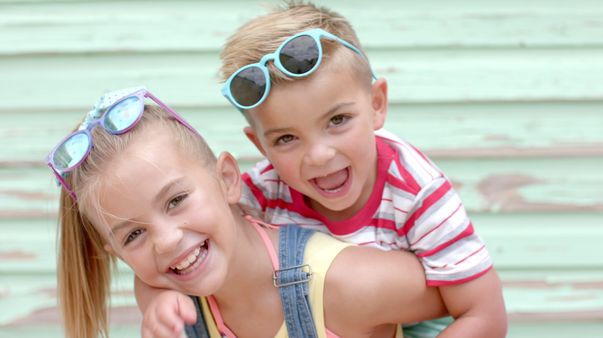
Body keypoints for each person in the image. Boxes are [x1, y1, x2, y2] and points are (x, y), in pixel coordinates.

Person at [48, 87, 449, 338]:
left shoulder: (344, 284)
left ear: (227, 179)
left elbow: (462, 306)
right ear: (116, 252)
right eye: (134, 235)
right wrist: (153, 305)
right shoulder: (175, 310)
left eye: (176, 201)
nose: (166, 240)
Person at [218, 2, 507, 338]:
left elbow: (482, 314)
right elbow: (192, 239)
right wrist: (160, 298)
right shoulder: (263, 191)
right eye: (286, 138)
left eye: (337, 120)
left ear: (376, 104)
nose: (319, 155)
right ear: (260, 146)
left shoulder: (416, 190)